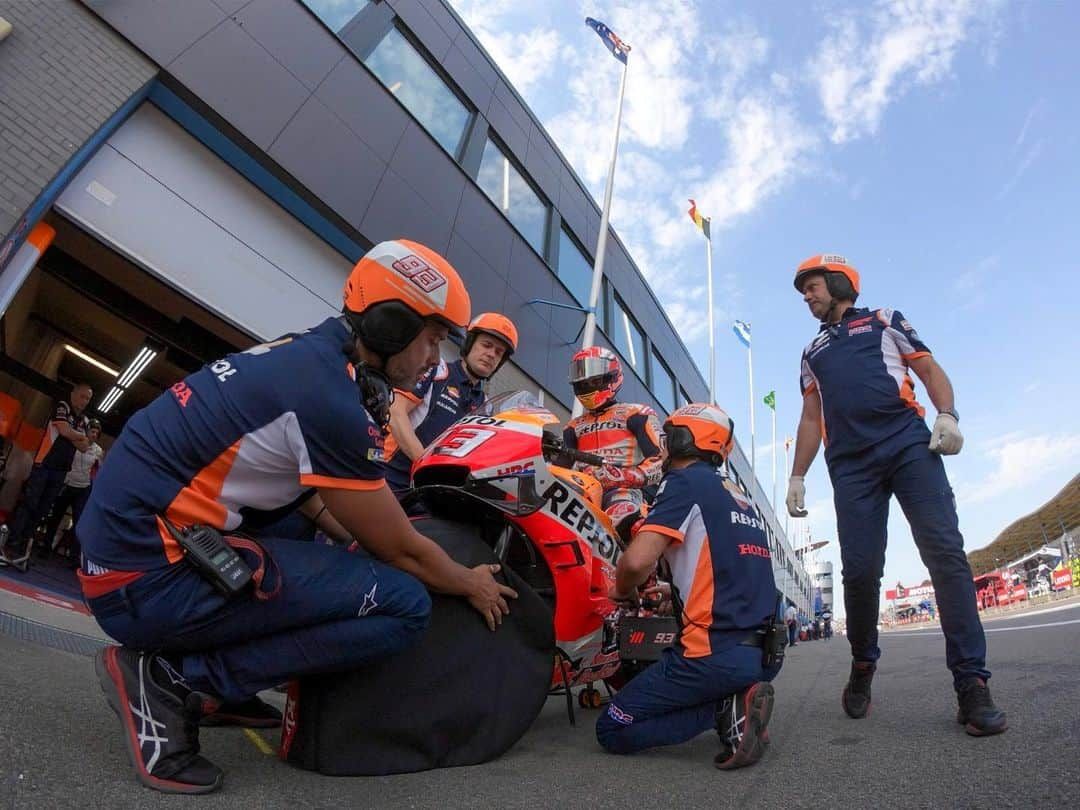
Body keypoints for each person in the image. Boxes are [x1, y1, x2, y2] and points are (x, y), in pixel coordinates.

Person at [81, 238, 518, 794]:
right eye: (433, 339)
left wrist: (362, 551)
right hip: (143, 581)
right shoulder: (329, 395)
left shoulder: (308, 354)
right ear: (388, 325)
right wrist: (468, 582)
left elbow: (310, 497)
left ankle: (224, 687)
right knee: (405, 603)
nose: (436, 358)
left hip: (128, 553)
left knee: (326, 545)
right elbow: (402, 551)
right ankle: (172, 681)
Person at [784, 253, 1006, 736]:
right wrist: (796, 476)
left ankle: (972, 684)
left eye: (813, 286)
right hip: (850, 465)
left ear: (840, 281)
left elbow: (928, 369)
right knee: (861, 571)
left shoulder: (885, 320)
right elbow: (809, 418)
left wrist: (947, 413)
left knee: (946, 555)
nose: (807, 296)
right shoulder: (810, 353)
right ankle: (863, 661)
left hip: (908, 445)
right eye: (804, 291)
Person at [596, 403, 779, 769]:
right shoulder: (735, 495)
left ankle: (725, 709)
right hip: (765, 654)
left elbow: (634, 562)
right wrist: (673, 592)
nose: (661, 447)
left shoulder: (683, 482)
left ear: (683, 439)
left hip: (714, 656)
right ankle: (735, 699)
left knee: (612, 728)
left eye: (667, 437)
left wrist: (623, 588)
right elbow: (726, 569)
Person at [383, 312, 517, 498]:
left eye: (498, 352)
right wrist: (425, 465)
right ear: (469, 344)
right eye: (486, 345)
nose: (491, 354)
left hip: (432, 495)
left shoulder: (487, 407)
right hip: (392, 480)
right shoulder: (435, 371)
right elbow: (395, 412)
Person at [561, 346, 663, 537]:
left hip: (623, 491)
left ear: (612, 377)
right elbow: (560, 468)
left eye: (593, 379)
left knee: (622, 519)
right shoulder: (573, 426)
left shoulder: (637, 413)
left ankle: (643, 564)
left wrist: (625, 477)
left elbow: (661, 460)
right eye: (581, 380)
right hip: (583, 491)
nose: (585, 382)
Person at [0, 382, 92, 569]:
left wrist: (73, 436)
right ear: (74, 393)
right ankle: (12, 544)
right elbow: (66, 432)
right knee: (29, 504)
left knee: (42, 510)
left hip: (61, 471)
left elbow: (85, 446)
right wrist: (77, 436)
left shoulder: (84, 420)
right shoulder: (62, 406)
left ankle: (24, 549)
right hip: (45, 464)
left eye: (88, 399)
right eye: (82, 396)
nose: (84, 401)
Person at [43, 417, 104, 566]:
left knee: (79, 523)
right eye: (92, 431)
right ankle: (45, 548)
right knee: (55, 517)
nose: (94, 434)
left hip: (83, 488)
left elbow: (100, 471)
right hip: (67, 482)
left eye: (97, 433)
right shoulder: (76, 440)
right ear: (86, 431)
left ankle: (74, 557)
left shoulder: (98, 450)